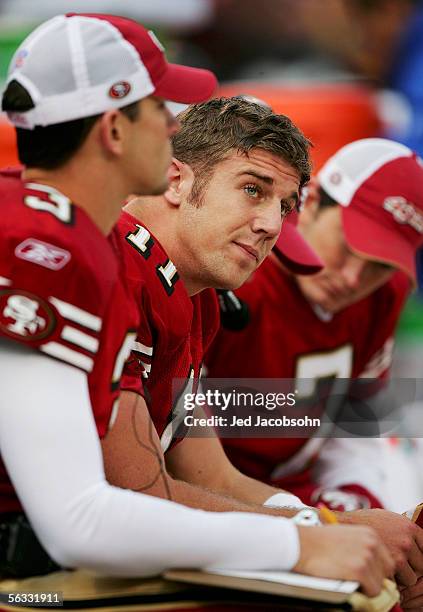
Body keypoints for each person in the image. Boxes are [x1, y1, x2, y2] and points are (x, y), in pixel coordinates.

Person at [0, 14, 392, 592]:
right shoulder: (48, 245)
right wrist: (306, 537)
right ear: (115, 129)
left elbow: (198, 472)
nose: (172, 126)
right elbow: (90, 516)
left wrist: (316, 524)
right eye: (160, 110)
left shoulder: (176, 283)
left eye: (284, 205)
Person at [99, 98, 395, 594]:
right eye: (252, 190)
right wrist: (319, 535)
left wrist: (327, 524)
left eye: (283, 206)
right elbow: (139, 493)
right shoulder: (114, 266)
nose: (272, 225)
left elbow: (213, 476)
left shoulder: (198, 297)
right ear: (176, 179)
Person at [206, 137, 423, 586]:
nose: (352, 278)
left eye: (379, 265)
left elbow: (355, 423)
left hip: (297, 492)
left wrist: (355, 508)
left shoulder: (384, 295)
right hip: (206, 499)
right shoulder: (229, 270)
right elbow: (174, 462)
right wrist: (325, 527)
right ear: (313, 199)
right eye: (349, 246)